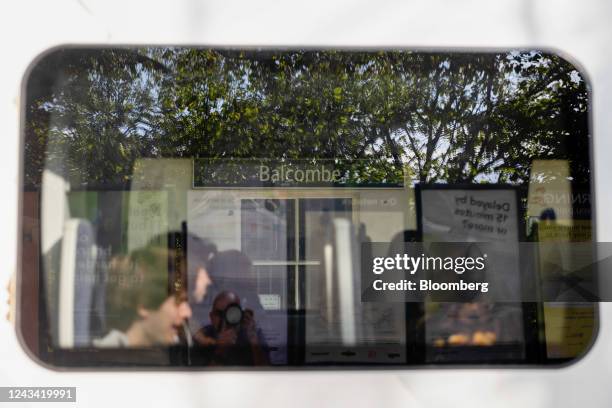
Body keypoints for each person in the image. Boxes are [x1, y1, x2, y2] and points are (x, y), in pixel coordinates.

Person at [93, 243, 192, 348]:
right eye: (178, 302)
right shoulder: (101, 358)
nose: (188, 313)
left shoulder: (175, 353)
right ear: (144, 304)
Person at [193, 291, 269, 366]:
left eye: (232, 313)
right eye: (220, 314)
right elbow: (201, 376)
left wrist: (254, 343)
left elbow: (267, 372)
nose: (225, 319)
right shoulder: (202, 336)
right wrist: (221, 349)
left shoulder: (252, 333)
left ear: (241, 315)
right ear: (211, 317)